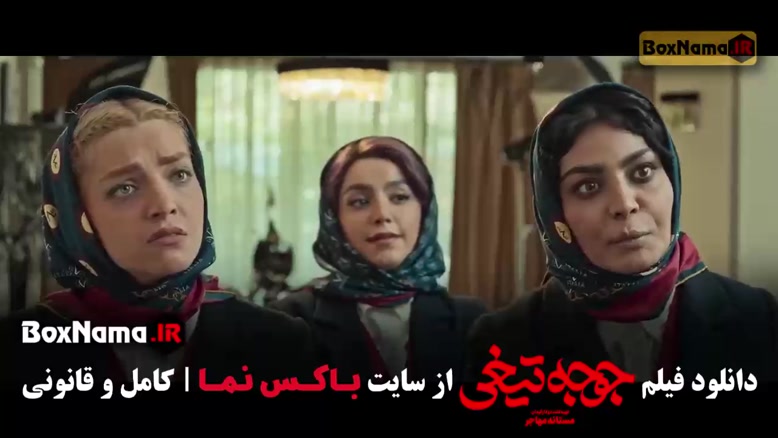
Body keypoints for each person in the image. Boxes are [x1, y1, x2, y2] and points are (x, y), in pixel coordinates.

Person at [0, 86, 317, 400]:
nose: (165, 205)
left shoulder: (283, 344)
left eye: (179, 175)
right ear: (75, 217)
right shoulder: (14, 350)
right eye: (125, 188)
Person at [464, 83, 778, 389]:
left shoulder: (758, 319)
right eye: (588, 186)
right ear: (556, 213)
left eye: (642, 172)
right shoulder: (503, 344)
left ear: (672, 179)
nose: (625, 204)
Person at [270, 136, 486, 388]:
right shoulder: (291, 320)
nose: (382, 215)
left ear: (425, 210)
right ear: (334, 219)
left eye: (399, 197)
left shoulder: (471, 322)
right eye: (360, 202)